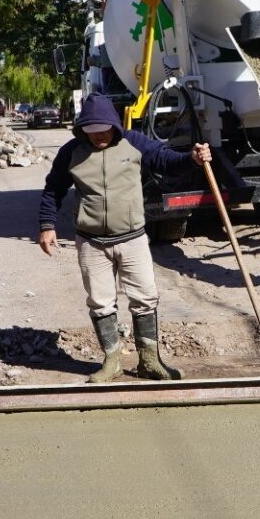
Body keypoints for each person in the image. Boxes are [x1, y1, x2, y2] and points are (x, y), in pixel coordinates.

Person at [38, 93, 212, 382]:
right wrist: (47, 224)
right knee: (100, 302)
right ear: (83, 129)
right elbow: (52, 189)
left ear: (113, 126)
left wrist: (192, 159)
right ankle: (112, 362)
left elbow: (166, 161)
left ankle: (150, 361)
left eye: (103, 131)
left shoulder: (134, 142)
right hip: (92, 243)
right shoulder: (72, 151)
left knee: (145, 298)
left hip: (132, 240)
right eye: (91, 132)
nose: (98, 137)